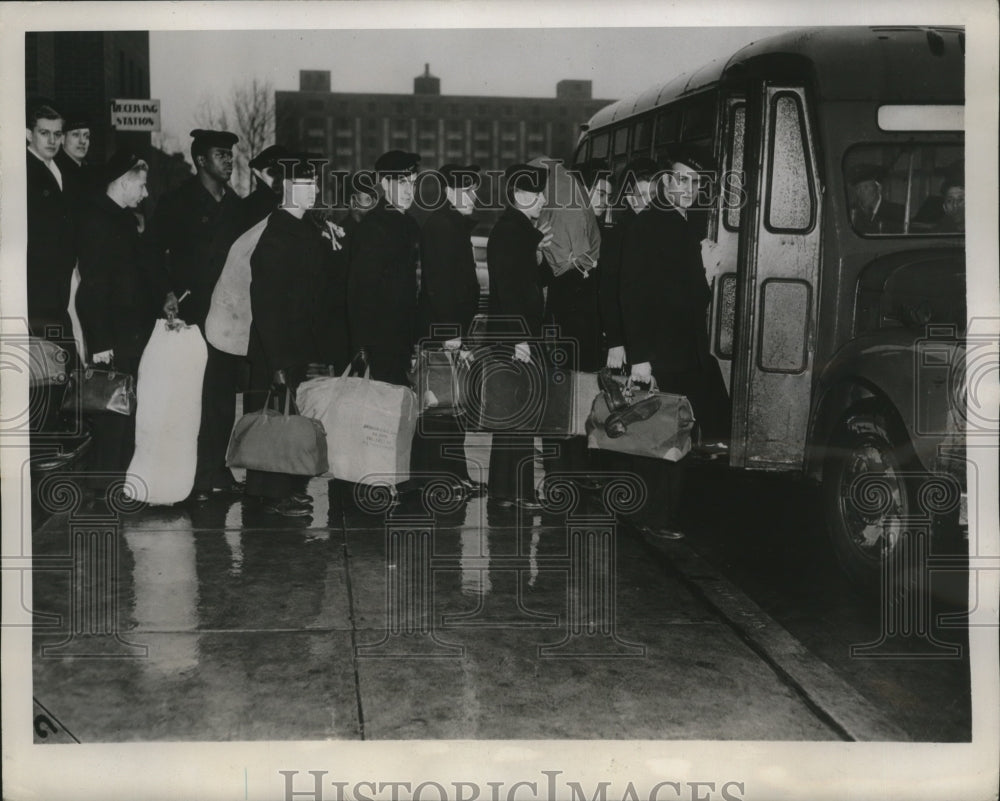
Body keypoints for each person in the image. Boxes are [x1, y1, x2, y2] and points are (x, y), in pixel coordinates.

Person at [619, 147, 728, 539]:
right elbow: (633, 295)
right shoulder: (651, 225)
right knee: (660, 434)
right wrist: (641, 359)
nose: (690, 188)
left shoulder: (683, 222)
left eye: (697, 182)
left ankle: (661, 515)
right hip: (662, 352)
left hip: (682, 351)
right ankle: (654, 517)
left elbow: (686, 296)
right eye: (682, 179)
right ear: (665, 181)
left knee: (675, 432)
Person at [144, 128, 246, 501]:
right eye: (221, 154)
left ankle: (216, 468)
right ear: (200, 160)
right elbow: (151, 251)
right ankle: (195, 477)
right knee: (193, 396)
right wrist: (165, 292)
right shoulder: (178, 202)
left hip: (230, 317)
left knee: (222, 395)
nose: (228, 161)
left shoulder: (235, 204)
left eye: (230, 155)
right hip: (193, 315)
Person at [75, 150, 170, 484]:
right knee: (110, 415)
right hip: (112, 338)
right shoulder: (97, 220)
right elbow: (91, 289)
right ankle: (104, 488)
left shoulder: (121, 220)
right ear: (122, 182)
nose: (145, 194)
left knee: (124, 411)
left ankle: (117, 482)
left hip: (128, 333)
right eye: (141, 186)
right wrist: (100, 342)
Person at [244, 155, 331, 516]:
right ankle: (270, 495)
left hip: (292, 344)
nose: (313, 191)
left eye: (314, 184)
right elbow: (266, 303)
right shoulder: (277, 233)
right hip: (273, 346)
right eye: (305, 185)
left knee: (286, 417)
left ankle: (282, 490)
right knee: (273, 420)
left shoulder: (306, 228)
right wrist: (278, 360)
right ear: (285, 189)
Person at [411, 163, 484, 495]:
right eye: (469, 190)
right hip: (443, 335)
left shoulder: (453, 224)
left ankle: (456, 474)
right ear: (451, 191)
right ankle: (442, 477)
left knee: (453, 406)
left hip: (452, 333)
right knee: (441, 407)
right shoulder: (442, 226)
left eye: (475, 189)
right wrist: (451, 333)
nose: (475, 196)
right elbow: (437, 284)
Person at [485, 163, 551, 511]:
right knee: (521, 416)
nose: (542, 199)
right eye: (537, 193)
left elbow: (529, 282)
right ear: (521, 196)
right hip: (516, 337)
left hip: (514, 336)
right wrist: (520, 338)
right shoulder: (514, 232)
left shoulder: (516, 229)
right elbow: (510, 291)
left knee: (512, 417)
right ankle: (520, 492)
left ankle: (504, 489)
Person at [539, 158, 606, 490]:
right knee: (567, 396)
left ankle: (570, 469)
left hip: (575, 329)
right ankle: (564, 470)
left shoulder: (582, 234)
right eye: (599, 193)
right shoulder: (570, 239)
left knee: (575, 398)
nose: (603, 201)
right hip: (569, 327)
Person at [347, 150, 421, 385]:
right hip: (381, 343)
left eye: (413, 183)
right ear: (385, 183)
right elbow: (361, 291)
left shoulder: (410, 224)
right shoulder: (373, 227)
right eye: (402, 183)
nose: (410, 190)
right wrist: (362, 347)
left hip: (403, 340)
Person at [25, 101, 77, 358]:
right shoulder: (25, 171)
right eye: (44, 133)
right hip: (36, 292)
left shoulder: (59, 169)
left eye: (57, 134)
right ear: (28, 134)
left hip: (57, 292)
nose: (52, 140)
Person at [242, 143, 292, 231]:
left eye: (283, 172)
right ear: (258, 173)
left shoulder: (292, 206)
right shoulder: (246, 209)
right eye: (272, 172)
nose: (278, 178)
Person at [847, 164, 904, 235]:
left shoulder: (896, 212)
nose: (861, 193)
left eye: (866, 187)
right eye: (858, 188)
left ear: (878, 188)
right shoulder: (852, 213)